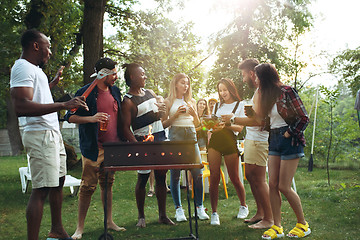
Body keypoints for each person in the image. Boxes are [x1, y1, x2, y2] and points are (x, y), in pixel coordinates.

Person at [10, 29, 87, 240]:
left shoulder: (34, 70)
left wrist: (51, 83)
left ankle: (57, 229)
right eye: (48, 47)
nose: (50, 52)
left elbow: (35, 95)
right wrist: (64, 104)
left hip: (51, 133)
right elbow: (21, 105)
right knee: (41, 189)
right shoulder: (22, 67)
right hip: (39, 134)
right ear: (36, 46)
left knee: (58, 182)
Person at [223, 63, 311, 239]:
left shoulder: (287, 91)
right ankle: (277, 226)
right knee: (272, 185)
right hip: (274, 140)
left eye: (255, 76)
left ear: (264, 77)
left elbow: (303, 118)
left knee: (284, 186)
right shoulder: (266, 95)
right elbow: (262, 121)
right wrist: (233, 120)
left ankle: (303, 224)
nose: (253, 79)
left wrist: (288, 132)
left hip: (289, 140)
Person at [64, 57, 125, 239]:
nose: (115, 77)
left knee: (108, 184)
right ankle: (79, 228)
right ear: (102, 74)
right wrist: (91, 118)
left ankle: (109, 221)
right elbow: (69, 117)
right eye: (113, 73)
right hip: (93, 148)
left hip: (111, 147)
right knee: (87, 187)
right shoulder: (86, 92)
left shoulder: (115, 92)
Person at [121, 63, 175, 228]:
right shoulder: (128, 101)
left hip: (160, 138)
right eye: (142, 74)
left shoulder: (150, 93)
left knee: (161, 177)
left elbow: (159, 116)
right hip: (143, 140)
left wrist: (163, 110)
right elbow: (125, 128)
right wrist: (136, 145)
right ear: (132, 77)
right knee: (143, 178)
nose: (145, 77)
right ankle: (141, 217)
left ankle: (163, 216)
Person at [162, 73, 209, 222]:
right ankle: (178, 209)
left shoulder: (192, 101)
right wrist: (175, 114)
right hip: (176, 135)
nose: (186, 86)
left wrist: (194, 113)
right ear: (175, 84)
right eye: (183, 83)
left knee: (198, 171)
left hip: (191, 135)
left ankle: (199, 208)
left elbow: (197, 125)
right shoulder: (168, 101)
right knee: (175, 173)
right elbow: (163, 124)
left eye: (187, 83)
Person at [207, 78, 249, 225]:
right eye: (220, 90)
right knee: (214, 177)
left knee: (234, 178)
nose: (223, 93)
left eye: (225, 90)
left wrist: (225, 124)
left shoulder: (240, 104)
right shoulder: (217, 106)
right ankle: (214, 213)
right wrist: (210, 127)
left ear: (231, 89)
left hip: (230, 141)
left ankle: (243, 206)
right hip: (215, 142)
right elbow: (210, 127)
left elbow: (239, 128)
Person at [237, 59, 273, 229]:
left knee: (259, 179)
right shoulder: (257, 91)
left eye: (244, 74)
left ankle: (269, 218)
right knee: (250, 176)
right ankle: (260, 212)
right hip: (251, 139)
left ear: (252, 74)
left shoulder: (262, 91)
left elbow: (260, 122)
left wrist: (232, 120)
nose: (243, 79)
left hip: (259, 140)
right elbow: (258, 116)